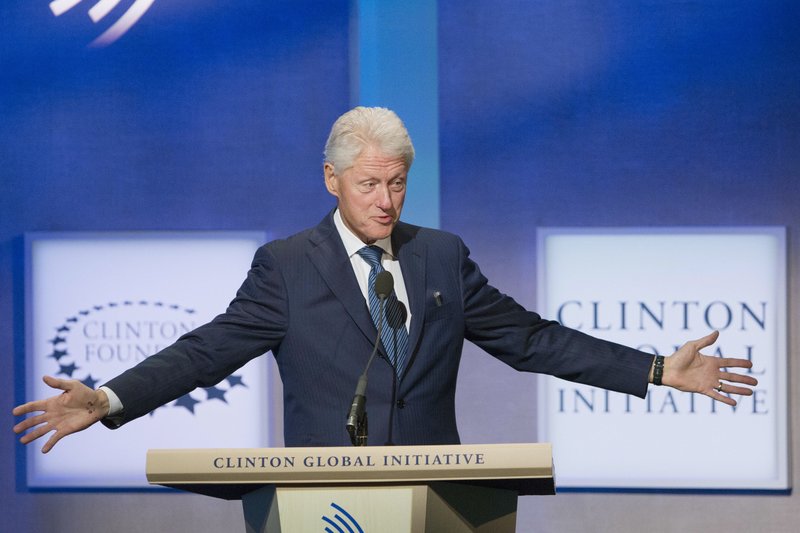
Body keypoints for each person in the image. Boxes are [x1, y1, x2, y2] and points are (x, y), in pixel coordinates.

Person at [13, 107, 758, 452]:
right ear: (331, 180)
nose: (386, 200)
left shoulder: (440, 256)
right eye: (369, 183)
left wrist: (658, 369)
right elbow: (205, 351)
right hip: (324, 504)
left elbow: (531, 339)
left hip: (436, 496)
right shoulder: (285, 267)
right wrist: (108, 397)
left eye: (398, 182)